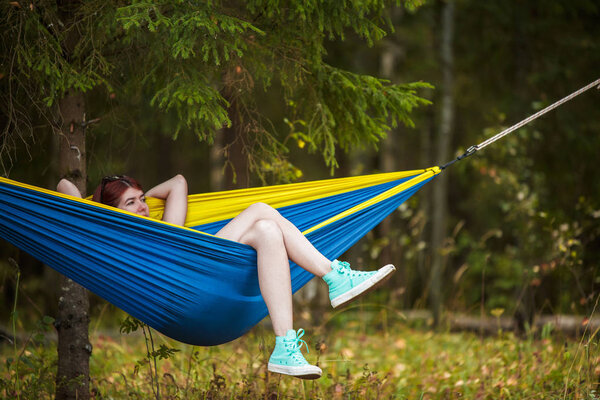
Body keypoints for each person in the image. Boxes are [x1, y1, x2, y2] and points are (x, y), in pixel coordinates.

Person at [57, 174, 396, 379]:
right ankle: (333, 275)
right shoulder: (113, 241)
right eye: (132, 203)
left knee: (267, 231)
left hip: (205, 271)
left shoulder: (165, 227)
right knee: (261, 211)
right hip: (180, 285)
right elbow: (64, 187)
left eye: (143, 199)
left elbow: (177, 184)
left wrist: (135, 193)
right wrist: (101, 211)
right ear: (111, 213)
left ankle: (285, 346)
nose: (143, 207)